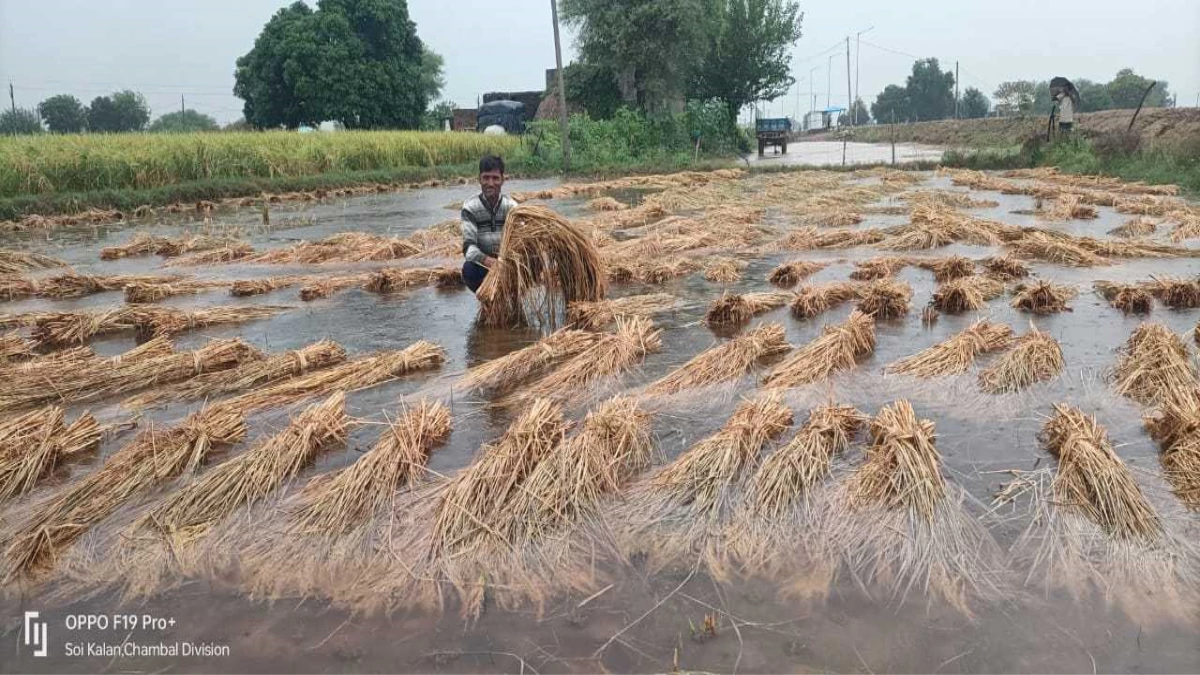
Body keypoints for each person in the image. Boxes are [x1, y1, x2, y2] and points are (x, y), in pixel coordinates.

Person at [460, 155, 518, 293]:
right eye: (486, 178)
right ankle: (487, 298)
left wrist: (505, 262)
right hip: (483, 266)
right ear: (479, 179)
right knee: (468, 269)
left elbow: (521, 241)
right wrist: (489, 261)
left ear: (502, 180)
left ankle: (513, 294)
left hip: (508, 265)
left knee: (535, 261)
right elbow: (468, 249)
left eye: (495, 178)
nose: (490, 183)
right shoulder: (470, 208)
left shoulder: (512, 208)